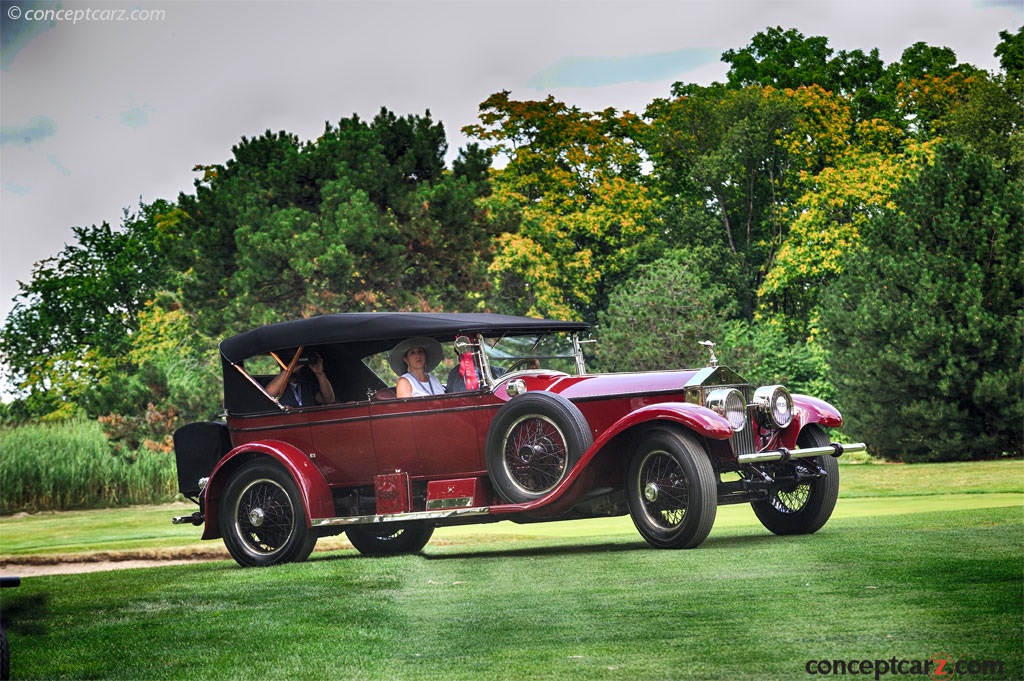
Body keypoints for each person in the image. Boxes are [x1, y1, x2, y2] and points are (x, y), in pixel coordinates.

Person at [266, 351, 336, 407]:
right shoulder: (271, 383)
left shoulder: (307, 385)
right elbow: (267, 396)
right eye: (290, 360)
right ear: (281, 362)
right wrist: (287, 371)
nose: (293, 363)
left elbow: (329, 400)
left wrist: (320, 373)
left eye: (296, 360)